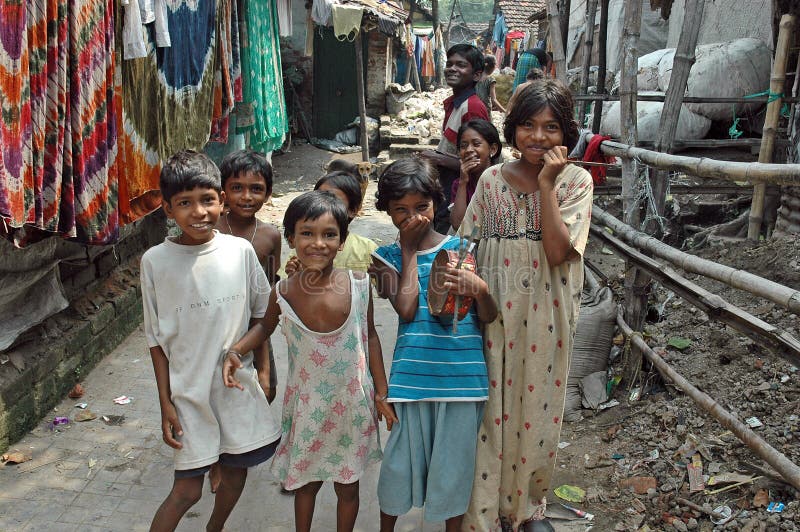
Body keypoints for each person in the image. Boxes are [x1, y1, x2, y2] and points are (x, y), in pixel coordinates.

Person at [460, 79, 593, 531]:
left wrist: (548, 185)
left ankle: (524, 509)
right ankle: (483, 511)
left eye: (551, 127)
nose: (538, 137)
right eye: (528, 126)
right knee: (489, 407)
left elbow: (557, 252)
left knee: (536, 407)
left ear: (566, 132)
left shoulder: (576, 181)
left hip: (547, 315)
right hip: (493, 310)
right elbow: (467, 244)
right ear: (513, 129)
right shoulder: (492, 180)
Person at [223, 191, 396, 532]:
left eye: (329, 235)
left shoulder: (359, 284)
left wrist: (381, 392)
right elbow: (264, 327)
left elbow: (371, 336)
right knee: (306, 484)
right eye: (307, 233)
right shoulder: (283, 291)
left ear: (343, 241)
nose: (318, 243)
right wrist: (236, 350)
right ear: (290, 238)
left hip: (352, 407)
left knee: (348, 487)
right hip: (306, 410)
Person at [141, 150, 282, 532]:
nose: (199, 212)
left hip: (235, 388)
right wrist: (164, 403)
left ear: (221, 200)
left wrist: (254, 361)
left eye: (207, 200)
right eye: (185, 203)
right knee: (186, 491)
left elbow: (264, 315)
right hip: (187, 395)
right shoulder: (154, 262)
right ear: (168, 209)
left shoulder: (240, 252)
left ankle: (214, 528)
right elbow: (155, 340)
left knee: (235, 475)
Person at [370, 157, 498, 532]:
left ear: (437, 204)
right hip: (412, 383)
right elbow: (407, 309)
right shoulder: (384, 259)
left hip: (462, 381)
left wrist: (482, 291)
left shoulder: (462, 248)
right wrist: (408, 250)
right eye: (401, 211)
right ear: (388, 212)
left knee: (452, 473)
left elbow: (485, 316)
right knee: (397, 470)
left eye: (422, 207)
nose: (414, 218)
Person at [420, 43, 489, 234]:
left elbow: (478, 162)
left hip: (459, 189)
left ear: (476, 74)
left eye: (460, 65)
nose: (452, 69)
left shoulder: (472, 107)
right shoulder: (455, 104)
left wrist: (438, 158)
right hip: (447, 185)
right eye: (449, 64)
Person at [281, 169, 378, 277]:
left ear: (353, 209)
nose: (318, 244)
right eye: (307, 233)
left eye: (334, 200)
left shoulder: (368, 248)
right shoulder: (300, 250)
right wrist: (296, 277)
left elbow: (380, 288)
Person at [450, 119, 502, 230]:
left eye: (476, 144)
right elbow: (458, 225)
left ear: (492, 149)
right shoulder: (460, 184)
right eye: (463, 146)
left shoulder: (503, 179)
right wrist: (463, 183)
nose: (469, 150)